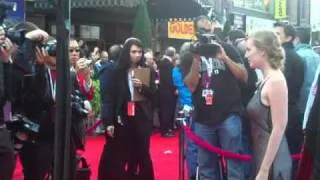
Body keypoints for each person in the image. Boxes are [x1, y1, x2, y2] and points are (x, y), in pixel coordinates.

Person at [184, 15, 248, 180]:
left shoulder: (227, 48)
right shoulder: (189, 54)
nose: (205, 35)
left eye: (206, 29)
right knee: (206, 166)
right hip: (203, 118)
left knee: (234, 163)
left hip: (229, 114)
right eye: (201, 31)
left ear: (213, 28)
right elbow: (191, 86)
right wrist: (196, 59)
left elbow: (244, 76)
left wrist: (225, 57)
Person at [102, 37, 156, 180]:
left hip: (142, 115)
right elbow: (109, 98)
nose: (137, 55)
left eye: (139, 52)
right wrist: (108, 121)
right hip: (123, 116)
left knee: (143, 152)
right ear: (127, 52)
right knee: (123, 153)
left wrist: (142, 88)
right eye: (133, 52)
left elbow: (155, 95)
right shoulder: (116, 71)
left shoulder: (147, 70)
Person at [246, 30, 292, 180]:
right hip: (262, 154)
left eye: (249, 50)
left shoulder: (276, 81)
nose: (246, 55)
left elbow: (279, 127)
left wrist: (265, 170)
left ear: (263, 52)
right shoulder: (267, 79)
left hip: (272, 161)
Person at [274, 22, 305, 178]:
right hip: (294, 111)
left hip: (283, 112)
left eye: (278, 34)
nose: (275, 38)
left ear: (289, 37)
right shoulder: (298, 58)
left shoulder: (283, 59)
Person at [0, 26, 15, 180]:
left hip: (1, 128)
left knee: (8, 163)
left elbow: (9, 96)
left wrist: (6, 62)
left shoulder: (4, 61)